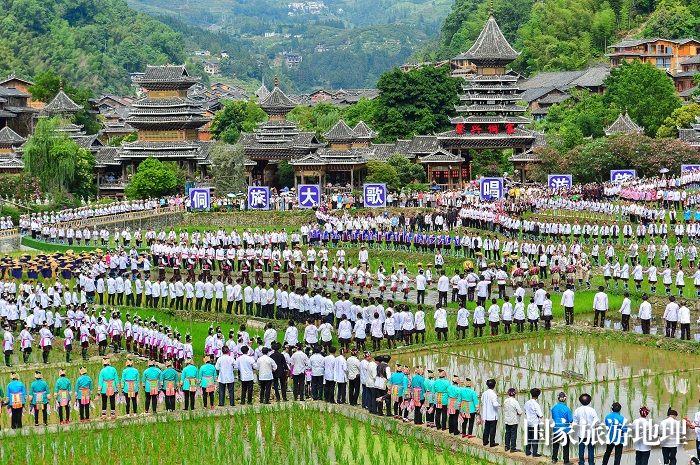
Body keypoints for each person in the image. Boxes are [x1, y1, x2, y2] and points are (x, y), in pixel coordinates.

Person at [573, 393, 599, 465]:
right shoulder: (592, 410)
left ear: (580, 401)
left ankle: (581, 462)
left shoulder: (577, 410)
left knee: (581, 448)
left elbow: (575, 422)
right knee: (591, 449)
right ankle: (591, 463)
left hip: (581, 433)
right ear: (589, 401)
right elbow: (596, 421)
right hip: (590, 433)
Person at [524, 387, 543, 457]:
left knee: (528, 437)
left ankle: (527, 451)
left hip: (528, 422)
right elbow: (540, 415)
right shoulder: (536, 404)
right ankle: (534, 453)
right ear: (538, 395)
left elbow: (525, 412)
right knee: (535, 438)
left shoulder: (527, 403)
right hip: (535, 423)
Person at [481, 378, 500, 447]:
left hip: (486, 414)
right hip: (493, 415)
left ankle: (485, 441)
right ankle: (492, 442)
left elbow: (482, 400)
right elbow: (495, 404)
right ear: (494, 385)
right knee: (492, 429)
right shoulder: (493, 394)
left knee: (486, 428)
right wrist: (499, 405)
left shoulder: (484, 393)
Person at [503, 387, 522, 452]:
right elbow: (520, 412)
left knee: (507, 433)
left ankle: (506, 446)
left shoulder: (505, 401)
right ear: (515, 394)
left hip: (507, 419)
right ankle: (513, 448)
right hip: (514, 420)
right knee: (513, 434)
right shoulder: (515, 401)